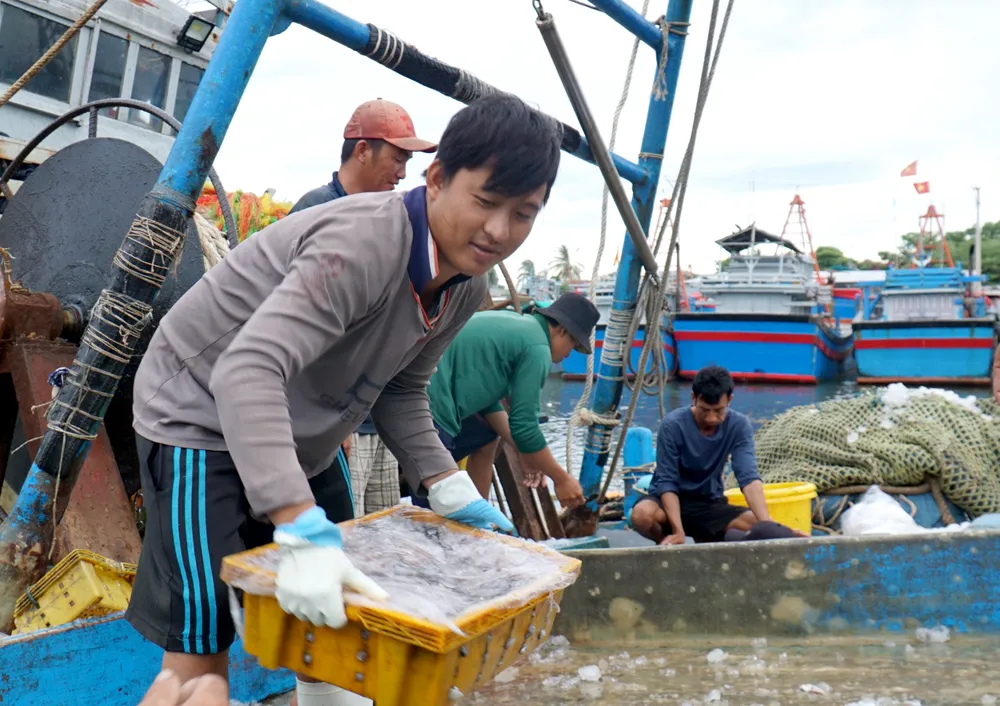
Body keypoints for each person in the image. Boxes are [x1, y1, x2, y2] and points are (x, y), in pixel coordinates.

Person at [125, 93, 563, 706]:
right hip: (198, 414)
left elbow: (403, 389)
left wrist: (446, 483)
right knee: (201, 652)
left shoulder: (465, 285)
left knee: (341, 620)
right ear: (436, 179)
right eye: (486, 203)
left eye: (524, 214)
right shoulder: (365, 243)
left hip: (301, 428)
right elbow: (247, 371)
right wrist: (297, 524)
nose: (499, 231)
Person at [289, 98, 437, 517]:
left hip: (367, 415)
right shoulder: (317, 210)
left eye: (408, 161)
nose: (404, 172)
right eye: (397, 157)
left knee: (375, 523)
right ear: (362, 150)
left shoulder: (390, 220)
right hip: (322, 422)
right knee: (335, 523)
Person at [425, 294, 598, 509]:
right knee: (432, 514)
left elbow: (488, 403)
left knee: (486, 435)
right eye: (574, 344)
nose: (570, 354)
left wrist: (526, 451)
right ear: (562, 330)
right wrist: (562, 479)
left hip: (421, 393)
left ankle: (477, 519)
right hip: (432, 408)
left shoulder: (516, 324)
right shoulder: (538, 348)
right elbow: (524, 426)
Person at [630, 365, 803, 545]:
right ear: (693, 398)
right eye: (705, 410)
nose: (711, 418)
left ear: (730, 400)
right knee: (642, 515)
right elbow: (667, 482)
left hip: (708, 503)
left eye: (718, 411)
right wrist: (678, 531)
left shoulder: (739, 425)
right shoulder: (673, 425)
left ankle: (709, 536)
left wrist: (771, 529)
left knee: (762, 525)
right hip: (668, 502)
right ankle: (666, 543)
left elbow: (748, 478)